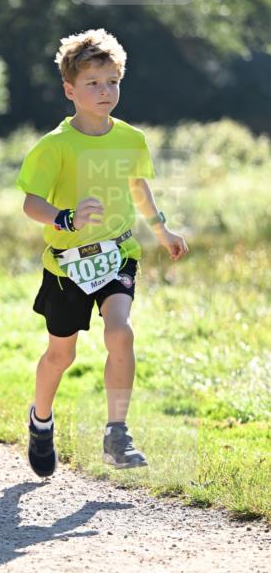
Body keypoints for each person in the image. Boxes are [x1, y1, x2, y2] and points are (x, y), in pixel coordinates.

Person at [17, 28, 188, 478]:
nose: (104, 91)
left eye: (112, 81)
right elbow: (31, 204)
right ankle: (40, 420)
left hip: (117, 253)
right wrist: (66, 218)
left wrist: (162, 229)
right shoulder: (55, 146)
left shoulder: (131, 139)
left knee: (121, 332)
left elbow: (138, 187)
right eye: (92, 83)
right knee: (61, 356)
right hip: (67, 265)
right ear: (69, 90)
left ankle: (117, 432)